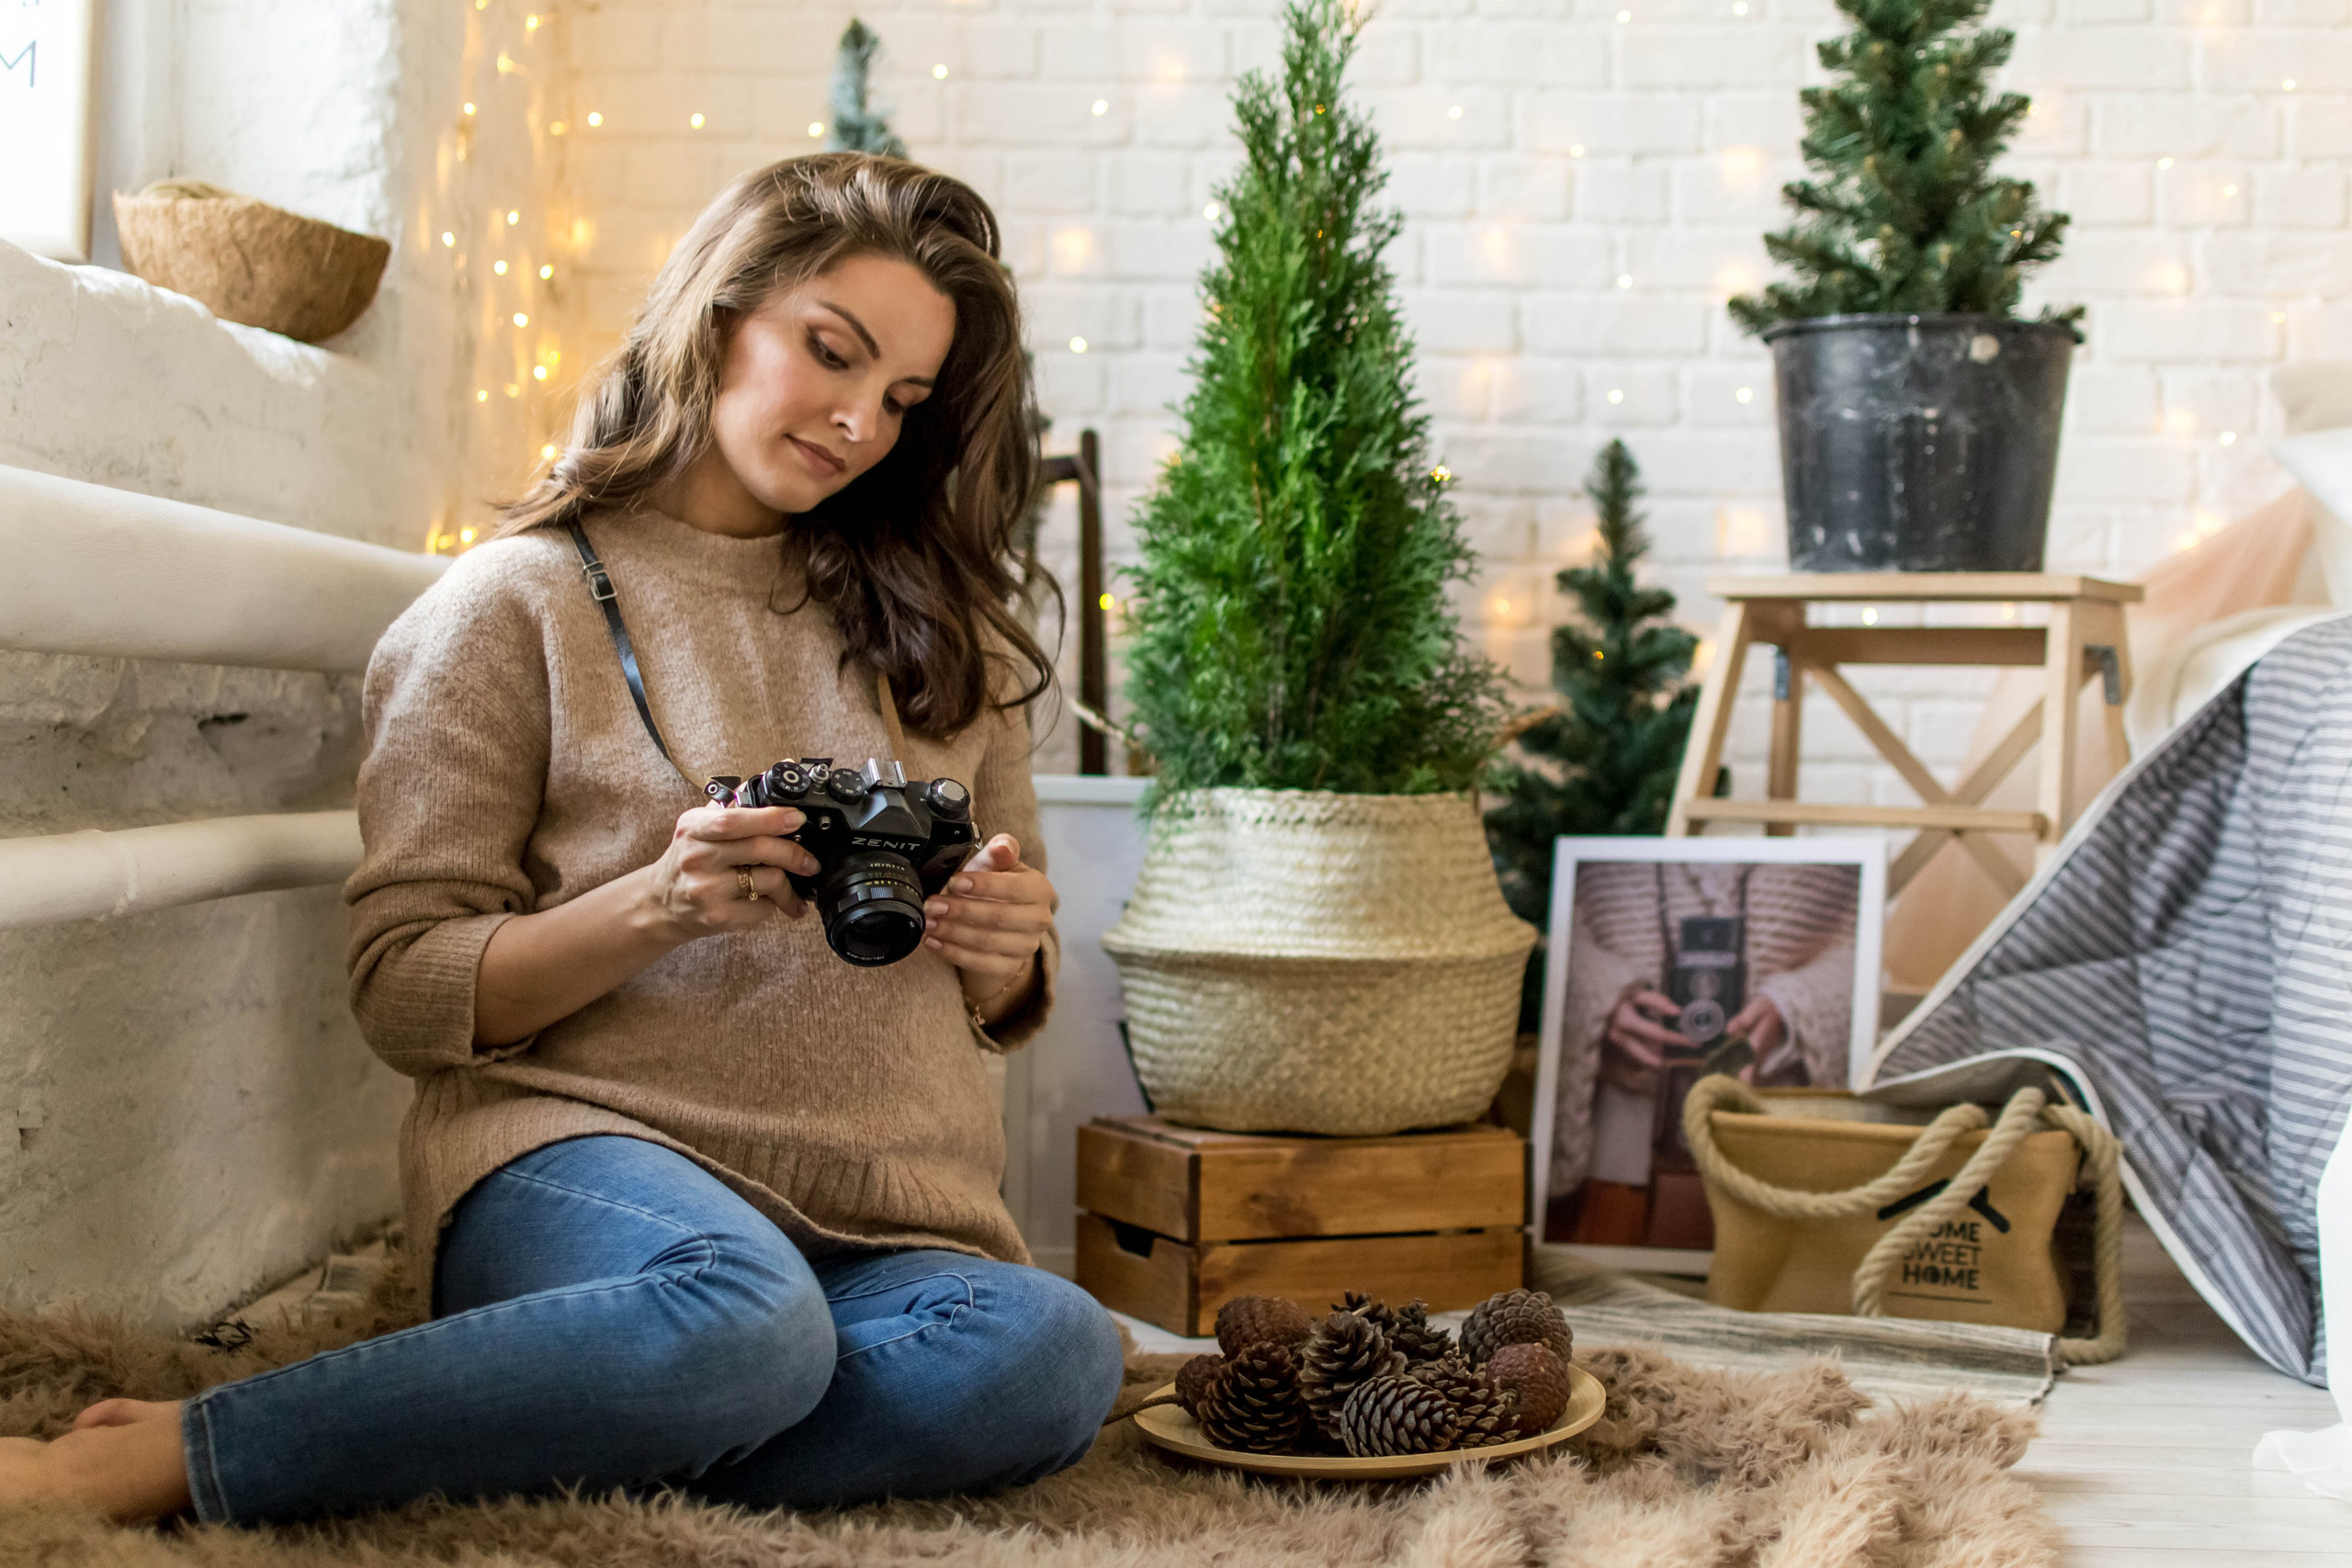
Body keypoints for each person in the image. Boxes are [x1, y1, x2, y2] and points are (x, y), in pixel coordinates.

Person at [0, 154, 1125, 1525]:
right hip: (585, 1170)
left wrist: (1008, 956)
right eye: (831, 352)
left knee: (1054, 1352)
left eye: (901, 401)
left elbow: (999, 996)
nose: (855, 421)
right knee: (736, 1319)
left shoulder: (946, 639)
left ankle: (530, 1414)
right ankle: (189, 1451)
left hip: (886, 1212)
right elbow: (405, 989)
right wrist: (655, 905)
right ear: (721, 313)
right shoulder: (513, 604)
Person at [1546, 859, 1860, 1248]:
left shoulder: (1830, 866)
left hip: (1776, 1140)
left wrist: (1794, 1002)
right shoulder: (1609, 862)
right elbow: (1563, 936)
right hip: (1618, 1150)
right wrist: (1599, 990)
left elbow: (1860, 949)